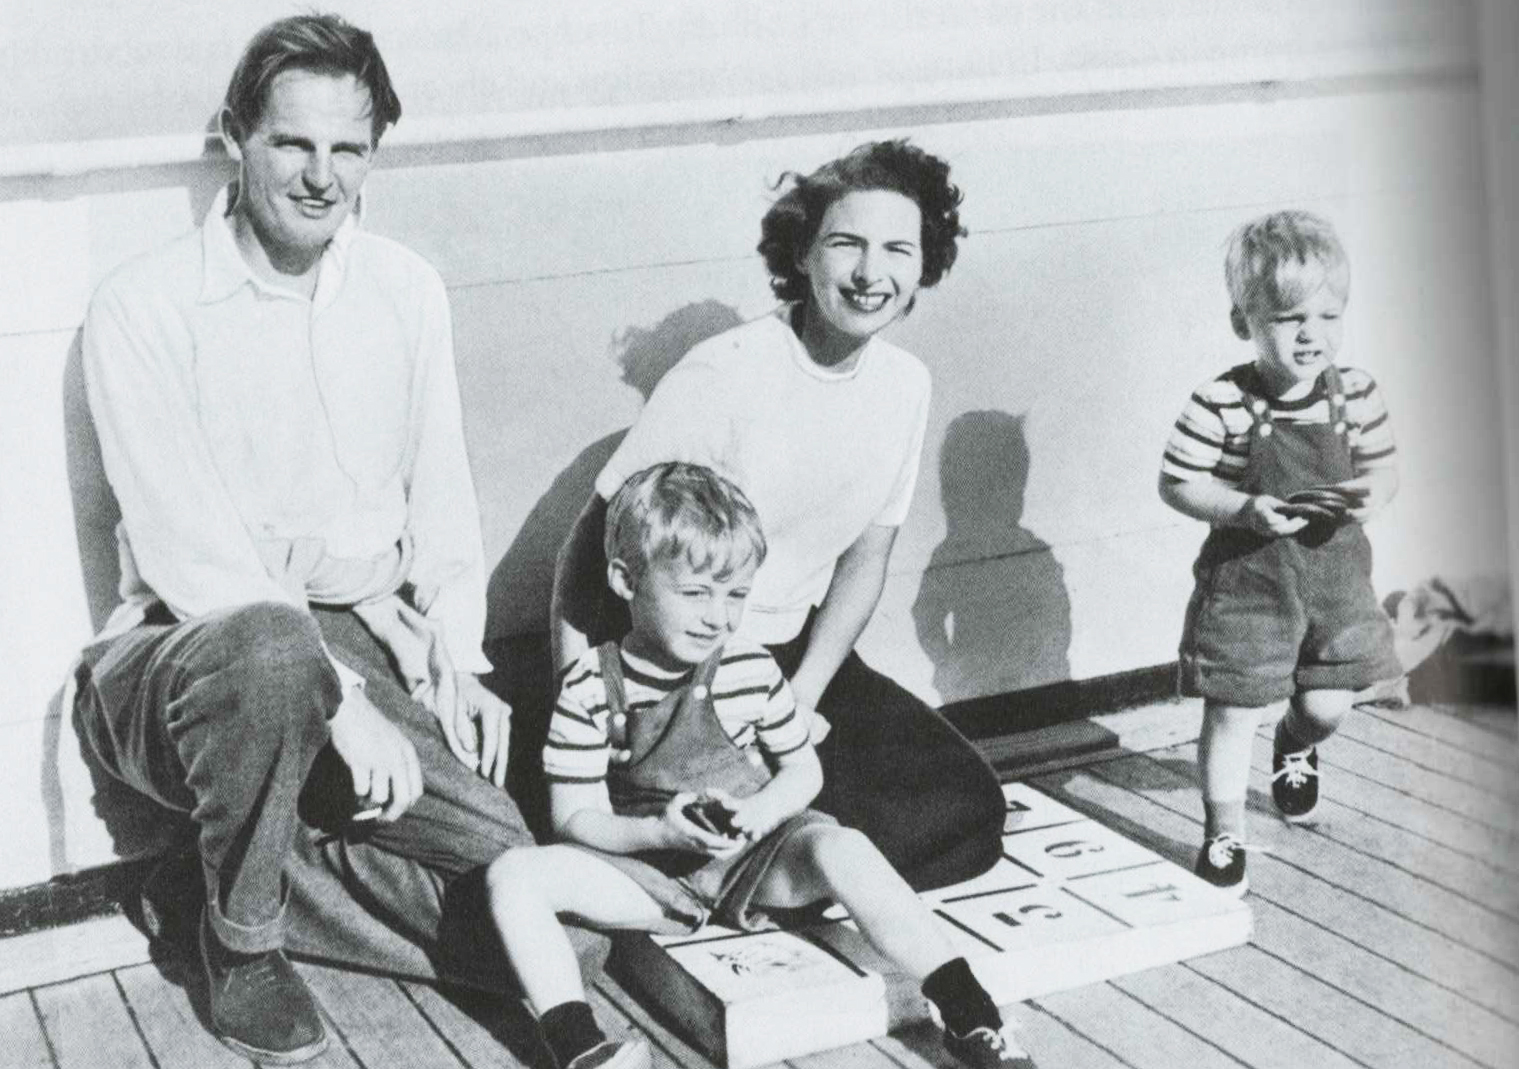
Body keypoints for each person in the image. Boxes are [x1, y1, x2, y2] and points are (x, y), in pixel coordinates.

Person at [74, 14, 580, 1063]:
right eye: (293, 143)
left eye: (348, 148)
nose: (321, 175)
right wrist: (339, 704)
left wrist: (455, 656)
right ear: (233, 139)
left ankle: (232, 875)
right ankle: (246, 941)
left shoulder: (403, 289)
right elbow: (193, 557)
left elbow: (439, 490)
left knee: (546, 914)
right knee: (268, 645)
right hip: (188, 656)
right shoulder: (144, 304)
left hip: (360, 629)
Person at [551, 140, 1004, 892]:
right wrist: (588, 707)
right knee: (858, 833)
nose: (870, 273)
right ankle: (711, 865)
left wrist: (802, 698)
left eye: (897, 248)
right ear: (801, 252)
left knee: (968, 812)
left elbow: (865, 558)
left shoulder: (905, 383)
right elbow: (583, 553)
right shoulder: (722, 371)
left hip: (790, 665)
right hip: (675, 670)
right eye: (845, 244)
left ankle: (746, 867)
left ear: (925, 263)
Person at [493, 463, 1040, 1069]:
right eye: (695, 593)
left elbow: (804, 773)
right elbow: (574, 818)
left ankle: (971, 1015)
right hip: (649, 871)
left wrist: (758, 813)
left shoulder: (749, 669)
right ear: (626, 580)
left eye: (736, 595)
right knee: (515, 876)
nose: (718, 617)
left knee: (845, 847)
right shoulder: (591, 684)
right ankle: (582, 1048)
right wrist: (658, 832)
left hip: (754, 857)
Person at [1158, 209, 1402, 894]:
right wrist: (1242, 508)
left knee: (1329, 705)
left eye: (1326, 317)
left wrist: (1366, 497)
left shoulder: (1355, 394)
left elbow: (1383, 471)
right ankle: (1222, 830)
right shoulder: (1221, 402)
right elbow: (1177, 482)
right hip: (1248, 581)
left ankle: (1293, 744)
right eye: (1288, 319)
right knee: (1232, 710)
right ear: (1245, 322)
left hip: (1334, 579)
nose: (1310, 335)